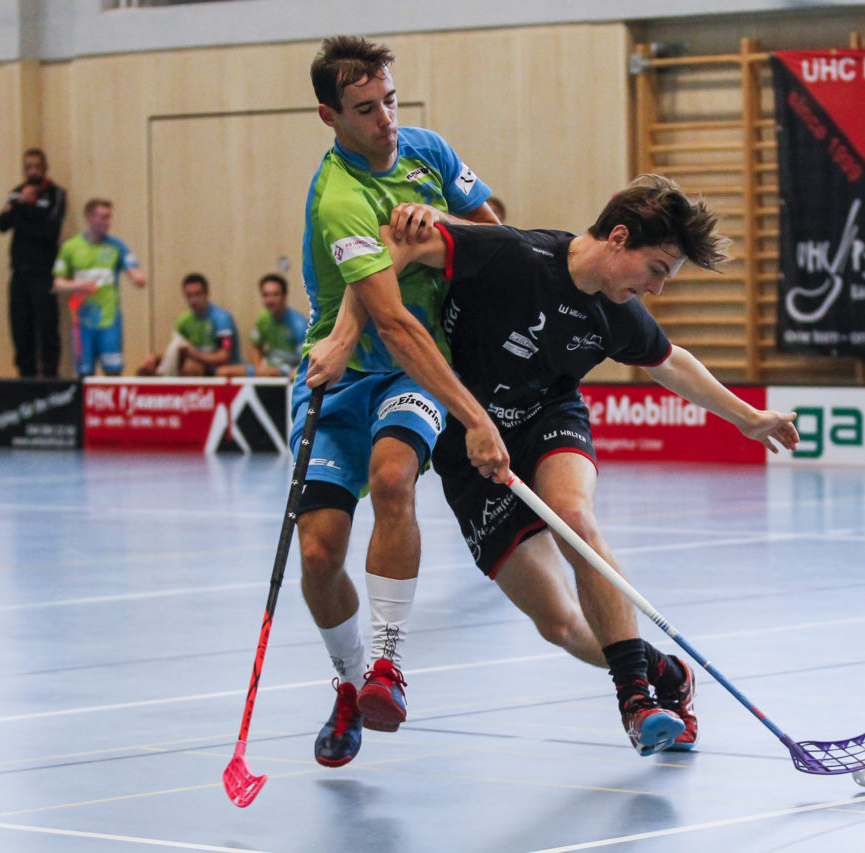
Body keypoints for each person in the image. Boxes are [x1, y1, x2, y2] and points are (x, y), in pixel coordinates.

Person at [382, 174, 801, 755]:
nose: (656, 289)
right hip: (469, 445)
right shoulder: (514, 255)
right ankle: (665, 673)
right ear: (619, 238)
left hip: (548, 417)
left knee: (572, 516)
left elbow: (670, 362)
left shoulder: (616, 311)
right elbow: (397, 245)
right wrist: (415, 218)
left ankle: (636, 702)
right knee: (560, 625)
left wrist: (747, 418)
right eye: (656, 269)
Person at [294, 35, 506, 769]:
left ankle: (386, 663)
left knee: (392, 479)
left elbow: (498, 232)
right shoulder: (340, 200)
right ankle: (352, 686)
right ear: (330, 116)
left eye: (389, 99)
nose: (386, 119)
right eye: (365, 108)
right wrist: (476, 417)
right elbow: (388, 321)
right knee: (318, 552)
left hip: (418, 372)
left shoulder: (429, 151)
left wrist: (439, 224)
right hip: (345, 373)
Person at [52, 198, 147, 376]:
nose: (107, 222)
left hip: (109, 319)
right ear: (89, 217)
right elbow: (58, 284)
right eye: (102, 217)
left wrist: (137, 277)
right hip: (82, 321)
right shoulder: (70, 248)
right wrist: (77, 285)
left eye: (109, 217)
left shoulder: (116, 247)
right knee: (84, 373)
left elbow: (133, 269)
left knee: (113, 370)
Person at [0, 148, 67, 378]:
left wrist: (26, 212)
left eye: (37, 167)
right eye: (28, 167)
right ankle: (24, 375)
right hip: (19, 273)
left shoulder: (56, 195)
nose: (32, 171)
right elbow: (1, 224)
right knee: (20, 328)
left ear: (45, 168)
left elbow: (49, 231)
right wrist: (19, 205)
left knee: (46, 327)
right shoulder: (17, 194)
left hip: (43, 273)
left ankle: (50, 375)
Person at [139, 273, 240, 376]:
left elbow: (224, 357)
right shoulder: (184, 320)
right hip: (198, 363)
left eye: (198, 294)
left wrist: (193, 355)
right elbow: (174, 353)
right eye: (189, 295)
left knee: (189, 367)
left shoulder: (221, 319)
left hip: (220, 369)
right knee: (146, 368)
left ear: (207, 294)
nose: (194, 300)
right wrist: (156, 359)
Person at [216, 273, 309, 379]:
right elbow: (255, 346)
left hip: (287, 371)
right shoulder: (263, 318)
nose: (270, 300)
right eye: (266, 295)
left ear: (284, 296)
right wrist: (259, 367)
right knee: (223, 372)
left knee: (271, 373)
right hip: (266, 368)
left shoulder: (298, 323)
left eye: (275, 295)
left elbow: (305, 359)